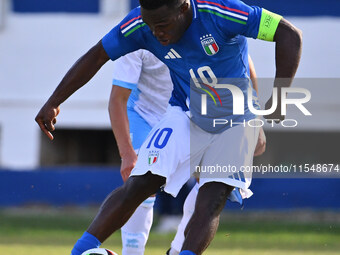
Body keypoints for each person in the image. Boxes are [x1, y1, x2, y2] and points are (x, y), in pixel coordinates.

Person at [35, 0, 302, 254]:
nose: (156, 32)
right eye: (151, 25)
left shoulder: (221, 12)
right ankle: (79, 251)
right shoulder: (140, 24)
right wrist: (54, 101)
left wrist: (279, 96)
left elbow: (289, 34)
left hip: (236, 121)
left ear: (184, 8)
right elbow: (96, 56)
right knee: (141, 183)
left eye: (162, 24)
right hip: (185, 112)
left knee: (212, 196)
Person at [109, 49, 265, 255]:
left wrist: (254, 119)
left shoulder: (208, 21)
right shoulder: (136, 31)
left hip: (193, 114)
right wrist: (126, 152)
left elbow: (244, 62)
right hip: (145, 114)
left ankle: (176, 251)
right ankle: (132, 252)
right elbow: (117, 98)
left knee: (210, 183)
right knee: (141, 184)